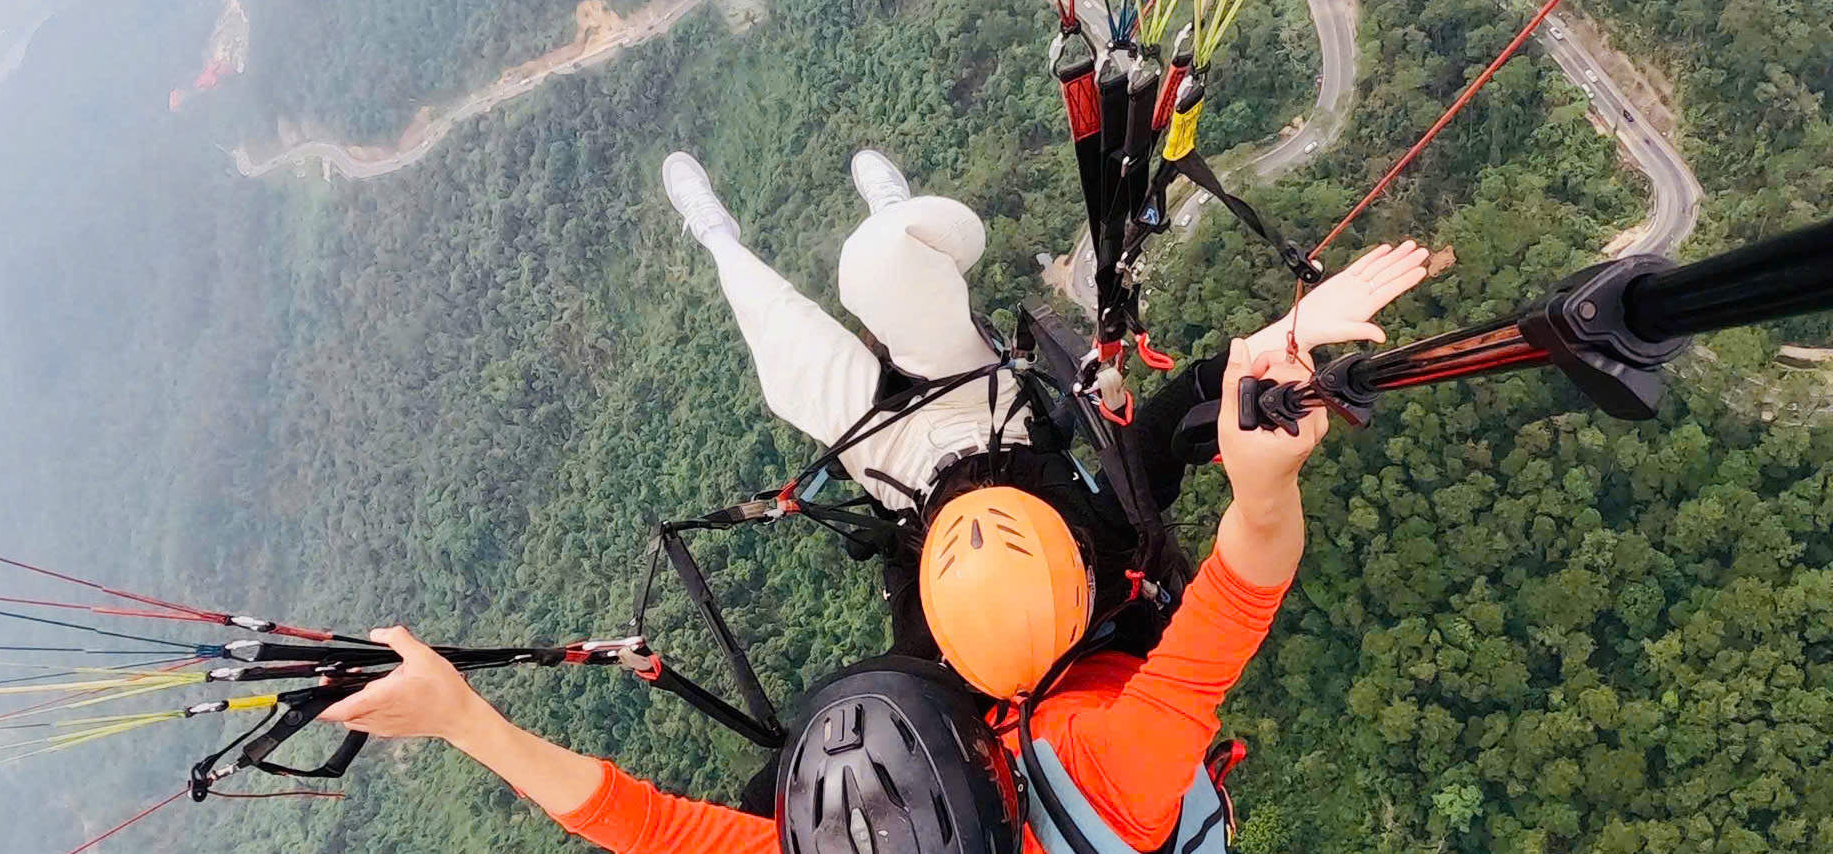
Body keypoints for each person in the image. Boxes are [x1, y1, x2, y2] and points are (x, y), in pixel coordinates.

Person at [319, 152, 1429, 852]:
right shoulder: (1117, 780)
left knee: (799, 367)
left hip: (937, 569)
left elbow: (649, 825)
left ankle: (723, 244)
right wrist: (1264, 452)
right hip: (1062, 566)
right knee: (891, 276)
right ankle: (898, 218)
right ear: (990, 775)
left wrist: (460, 718)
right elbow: (1233, 595)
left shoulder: (875, 815)